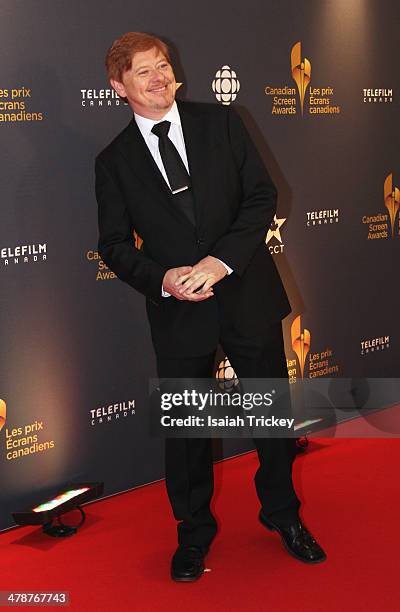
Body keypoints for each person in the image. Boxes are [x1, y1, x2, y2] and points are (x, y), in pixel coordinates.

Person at [95, 31, 326, 581]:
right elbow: (114, 246)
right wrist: (164, 280)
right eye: (143, 72)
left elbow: (261, 198)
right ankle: (193, 534)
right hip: (179, 312)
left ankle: (283, 515)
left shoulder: (223, 122)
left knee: (271, 421)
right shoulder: (114, 162)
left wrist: (221, 262)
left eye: (164, 66)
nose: (159, 78)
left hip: (245, 293)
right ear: (118, 87)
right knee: (189, 434)